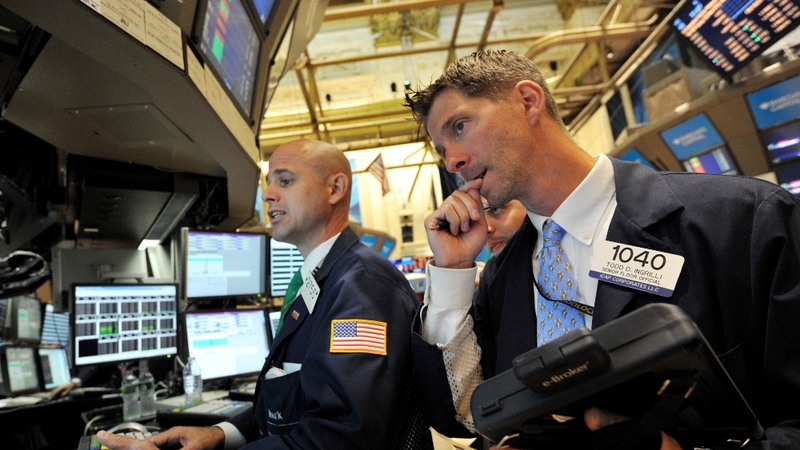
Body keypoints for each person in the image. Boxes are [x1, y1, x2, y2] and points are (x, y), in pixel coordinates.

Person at [403, 49, 800, 449]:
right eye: (441, 149)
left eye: (459, 127)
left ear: (527, 101)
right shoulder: (501, 278)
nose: (452, 161)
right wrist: (453, 272)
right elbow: (461, 415)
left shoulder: (742, 221)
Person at [98, 139, 431, 450]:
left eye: (285, 181)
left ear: (336, 188)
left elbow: (341, 436)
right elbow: (291, 402)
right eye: (268, 183)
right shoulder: (322, 279)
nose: (269, 194)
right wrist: (220, 434)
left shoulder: (362, 287)